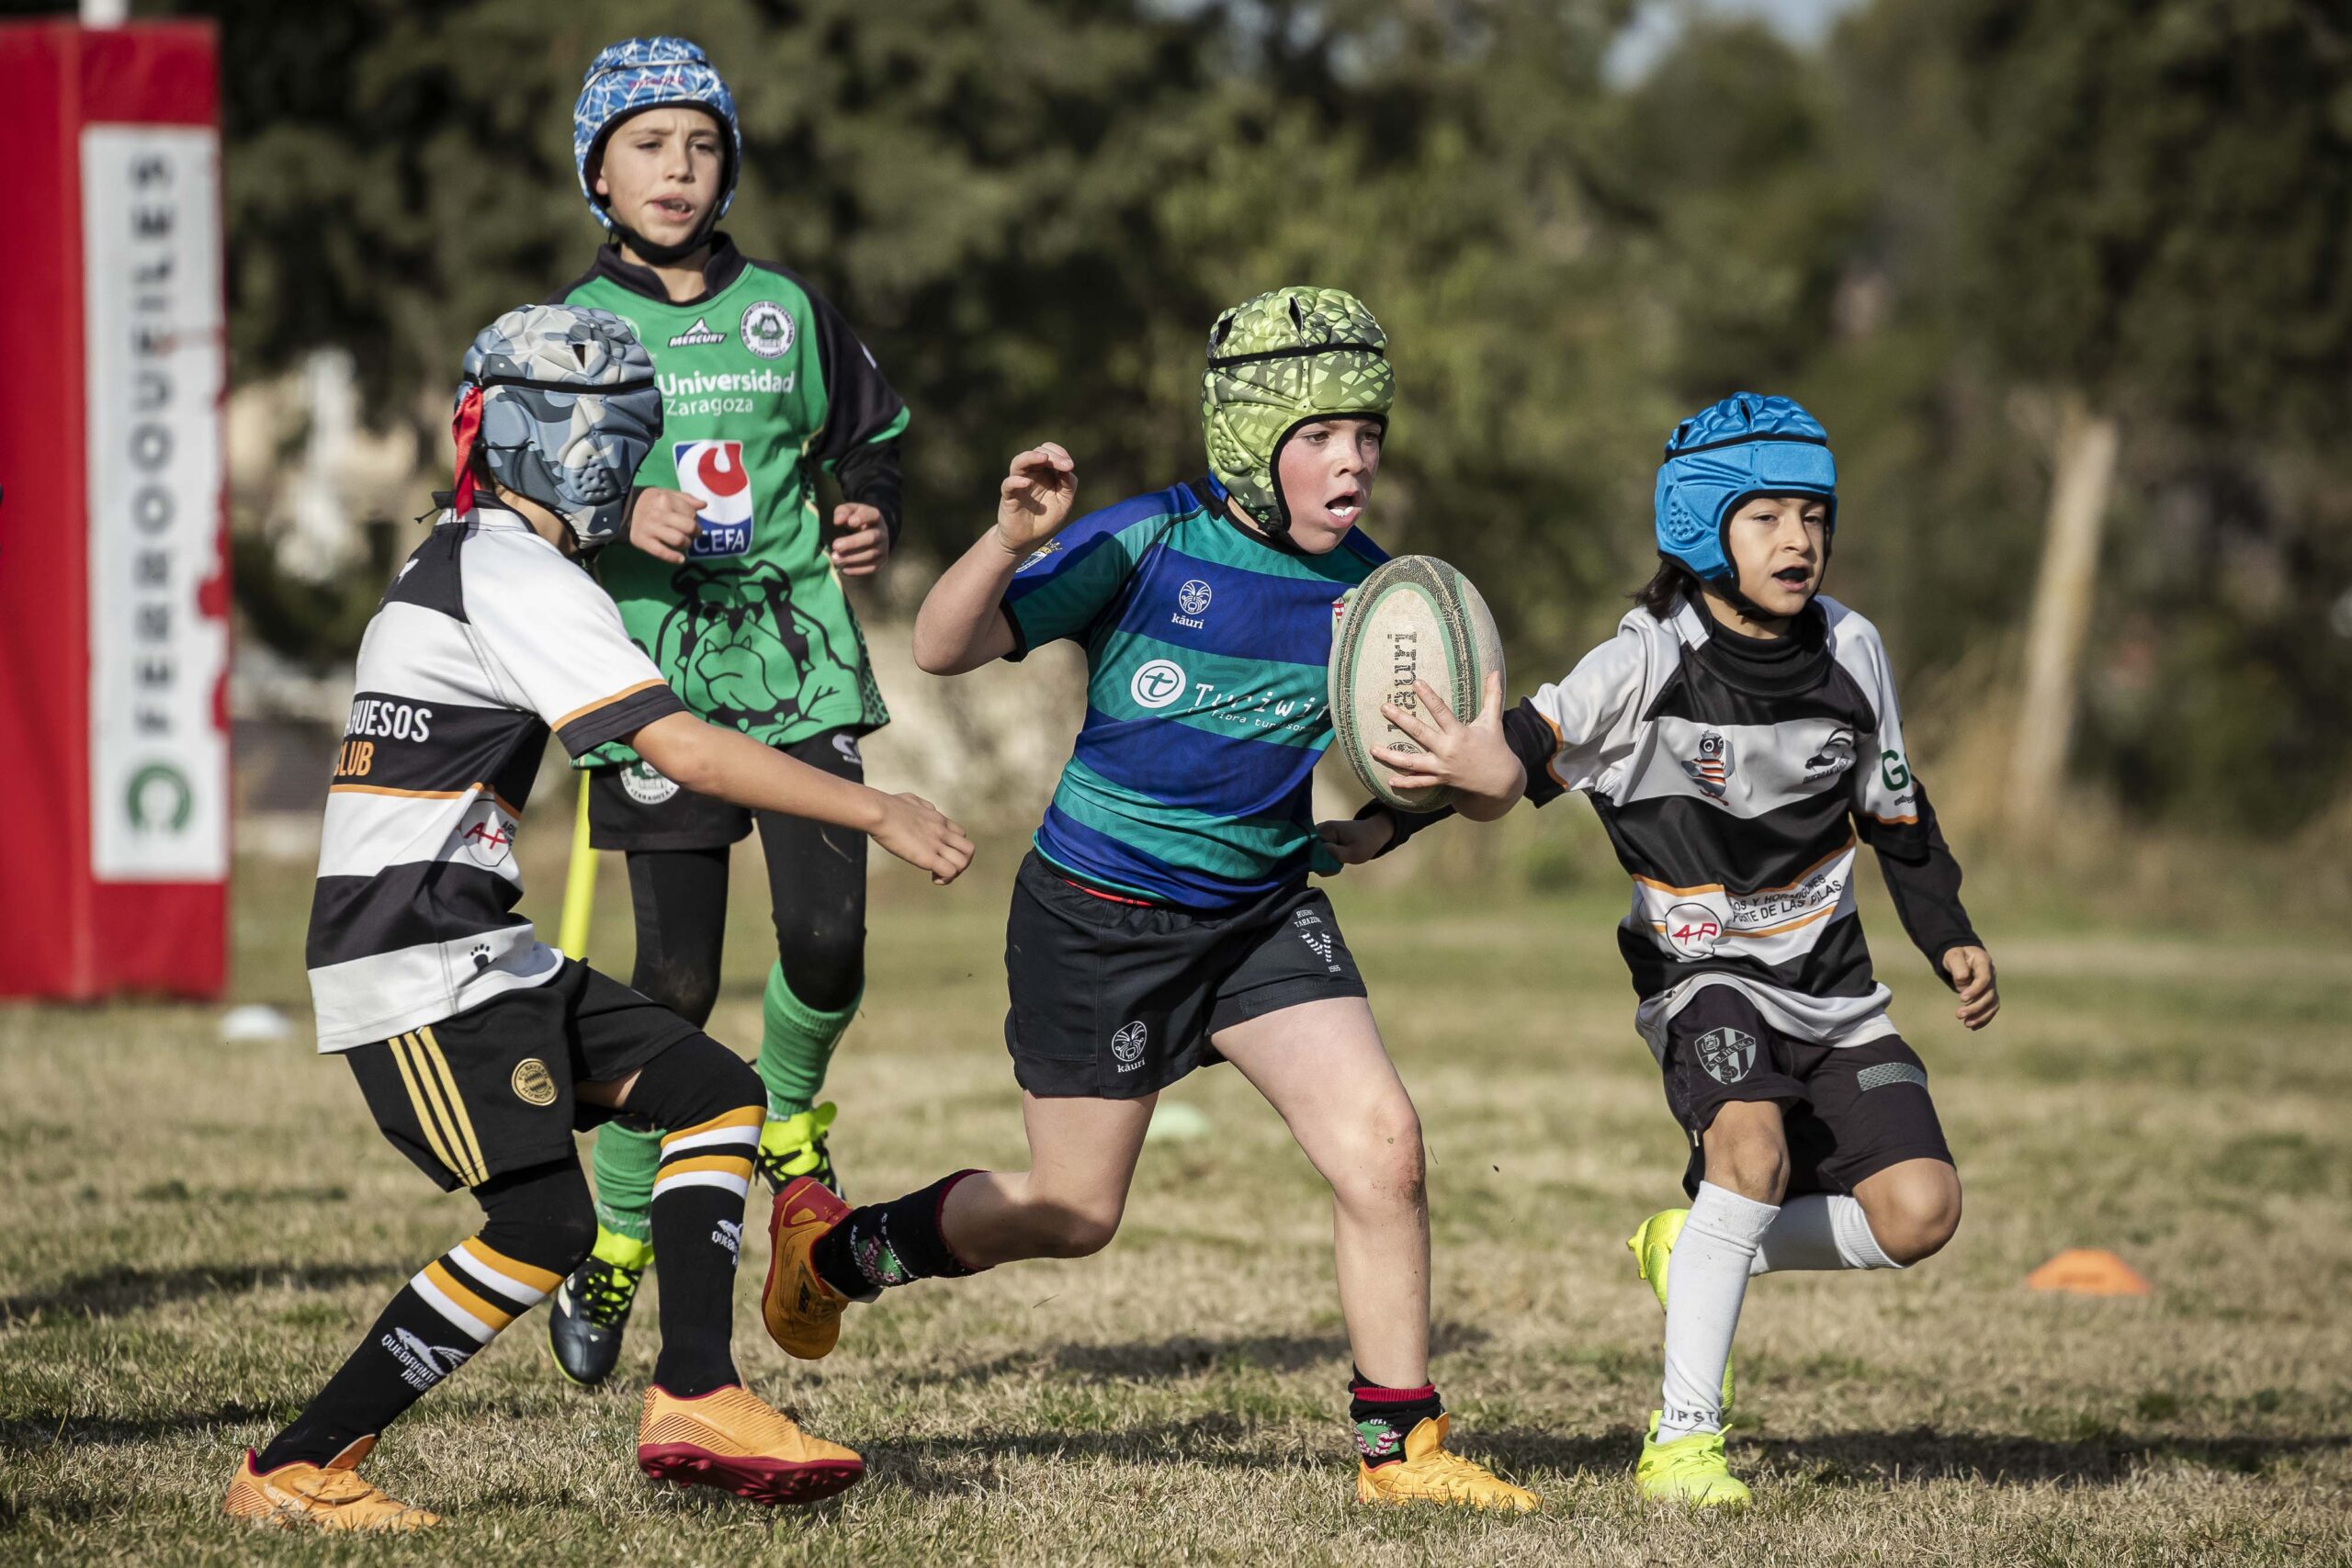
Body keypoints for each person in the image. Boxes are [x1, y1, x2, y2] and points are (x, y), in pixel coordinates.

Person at [756, 288, 1539, 1513]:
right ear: (1248, 440)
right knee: (1072, 1210)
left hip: (1262, 910)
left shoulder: (1385, 602)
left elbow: (1468, 770)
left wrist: (1490, 781)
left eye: (1369, 435)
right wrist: (1008, 539)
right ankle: (841, 1249)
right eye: (1323, 435)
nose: (1355, 461)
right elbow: (945, 647)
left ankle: (1403, 1449)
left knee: (1385, 1147)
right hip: (1099, 914)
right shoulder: (1150, 542)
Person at [223, 305, 971, 1531]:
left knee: (718, 1091)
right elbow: (678, 746)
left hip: (474, 944)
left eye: (626, 421)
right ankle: (297, 1461)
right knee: (546, 1222)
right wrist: (873, 805)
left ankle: (695, 1389)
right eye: (580, 419)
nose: (605, 447)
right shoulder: (506, 568)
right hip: (416, 965)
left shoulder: (477, 555)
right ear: (508, 427)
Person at [1355, 392, 1997, 1508]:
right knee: (1748, 1153)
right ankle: (1682, 1442)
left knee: (1919, 1215)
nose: (1798, 540)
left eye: (1813, 515)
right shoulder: (1647, 660)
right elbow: (1511, 753)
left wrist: (1947, 933)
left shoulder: (1853, 649)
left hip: (1833, 985)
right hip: (1698, 970)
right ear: (1703, 526)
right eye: (1767, 518)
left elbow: (1894, 810)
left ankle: (1696, 1241)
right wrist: (1382, 822)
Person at [541, 37, 916, 1388]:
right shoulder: (565, 339)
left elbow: (867, 434)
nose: (679, 170)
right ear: (598, 167)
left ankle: (794, 1127)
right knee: (680, 989)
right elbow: (498, 498)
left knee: (825, 937)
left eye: (701, 146)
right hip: (656, 689)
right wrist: (609, 508)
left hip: (801, 669)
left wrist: (870, 503)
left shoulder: (787, 311)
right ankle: (621, 1240)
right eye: (648, 145)